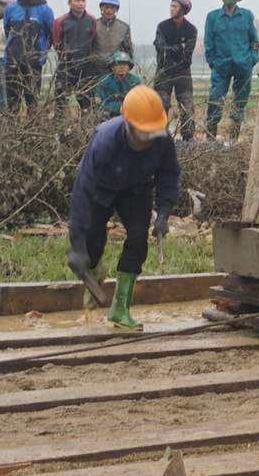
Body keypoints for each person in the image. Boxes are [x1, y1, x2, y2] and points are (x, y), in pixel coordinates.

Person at [66, 86, 179, 331]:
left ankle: (119, 310)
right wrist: (77, 244)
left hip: (137, 190)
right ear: (129, 124)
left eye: (153, 133)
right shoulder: (105, 139)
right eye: (144, 133)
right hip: (102, 190)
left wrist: (163, 212)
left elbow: (168, 175)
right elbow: (83, 190)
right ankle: (94, 273)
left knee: (138, 241)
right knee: (93, 243)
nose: (149, 139)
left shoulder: (163, 139)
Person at [203, 0, 259, 144]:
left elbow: (253, 40)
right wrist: (212, 62)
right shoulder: (212, 17)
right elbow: (208, 42)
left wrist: (252, 59)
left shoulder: (247, 16)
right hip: (221, 66)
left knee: (240, 103)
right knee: (215, 100)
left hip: (243, 65)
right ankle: (211, 139)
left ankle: (233, 139)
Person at [3, 0, 55, 111]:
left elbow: (51, 33)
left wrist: (41, 51)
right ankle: (13, 129)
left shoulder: (45, 10)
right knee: (12, 101)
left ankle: (33, 129)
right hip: (12, 61)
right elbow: (7, 30)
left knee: (32, 99)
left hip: (34, 62)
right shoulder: (11, 8)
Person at [154, 0, 199, 141]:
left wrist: (172, 49)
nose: (171, 9)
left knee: (186, 106)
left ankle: (188, 137)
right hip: (163, 70)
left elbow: (188, 52)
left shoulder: (191, 30)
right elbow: (161, 49)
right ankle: (161, 136)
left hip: (182, 71)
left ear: (183, 10)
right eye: (171, 6)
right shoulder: (162, 26)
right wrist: (180, 46)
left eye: (175, 6)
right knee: (161, 104)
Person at [53, 0, 99, 109]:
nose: (80, 3)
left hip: (86, 66)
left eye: (83, 0)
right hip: (66, 67)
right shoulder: (61, 21)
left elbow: (93, 39)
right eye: (77, 0)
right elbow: (56, 42)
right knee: (60, 101)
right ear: (69, 3)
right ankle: (60, 125)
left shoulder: (91, 20)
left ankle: (86, 127)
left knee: (87, 102)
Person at [93, 50, 143, 118]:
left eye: (125, 64)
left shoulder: (135, 81)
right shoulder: (103, 81)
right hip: (107, 117)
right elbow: (99, 104)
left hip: (129, 116)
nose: (122, 67)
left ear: (129, 67)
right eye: (118, 64)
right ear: (112, 67)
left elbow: (138, 103)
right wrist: (120, 107)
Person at [92, 0, 133, 72]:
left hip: (114, 70)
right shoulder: (93, 25)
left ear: (116, 10)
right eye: (106, 7)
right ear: (101, 8)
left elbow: (128, 50)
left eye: (112, 8)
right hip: (94, 70)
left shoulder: (123, 27)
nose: (109, 10)